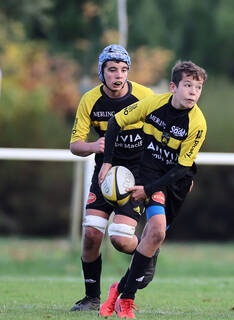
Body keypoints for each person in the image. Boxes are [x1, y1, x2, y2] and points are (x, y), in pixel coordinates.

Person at [98, 60, 207, 319]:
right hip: (149, 172)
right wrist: (108, 162)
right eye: (188, 85)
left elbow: (181, 169)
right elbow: (115, 123)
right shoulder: (153, 104)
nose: (193, 92)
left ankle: (119, 289)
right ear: (173, 87)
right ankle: (127, 300)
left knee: (152, 246)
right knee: (156, 229)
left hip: (175, 182)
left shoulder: (198, 123)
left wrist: (147, 190)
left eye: (198, 87)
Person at [69, 44, 158, 312]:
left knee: (119, 238)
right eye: (111, 70)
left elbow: (161, 131)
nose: (118, 75)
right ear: (101, 72)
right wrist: (95, 147)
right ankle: (91, 297)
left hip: (137, 174)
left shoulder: (144, 96)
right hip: (105, 174)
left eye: (123, 69)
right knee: (92, 234)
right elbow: (75, 145)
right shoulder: (90, 100)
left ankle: (147, 251)